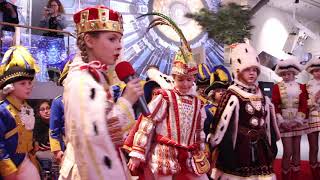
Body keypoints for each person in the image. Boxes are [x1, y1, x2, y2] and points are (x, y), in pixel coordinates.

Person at [59, 6, 143, 180]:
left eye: (120, 39)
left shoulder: (96, 76)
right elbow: (93, 137)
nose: (119, 46)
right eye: (112, 39)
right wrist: (126, 101)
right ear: (89, 40)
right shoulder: (81, 80)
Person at [127, 13, 209, 180]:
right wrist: (137, 153)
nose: (185, 84)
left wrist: (201, 150)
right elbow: (147, 123)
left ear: (193, 79)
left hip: (189, 156)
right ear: (174, 78)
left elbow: (199, 132)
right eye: (180, 79)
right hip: (164, 154)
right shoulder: (165, 97)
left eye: (188, 79)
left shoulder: (198, 103)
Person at [208, 43, 280, 180]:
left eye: (254, 70)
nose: (252, 73)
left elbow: (268, 124)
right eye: (247, 70)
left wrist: (272, 144)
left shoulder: (262, 96)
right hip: (238, 148)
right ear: (238, 71)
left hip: (260, 147)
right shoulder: (232, 95)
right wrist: (224, 151)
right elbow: (220, 127)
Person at [0, 45, 40, 179]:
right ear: (10, 87)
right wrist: (7, 168)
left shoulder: (27, 108)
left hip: (25, 161)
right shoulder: (3, 110)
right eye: (23, 83)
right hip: (9, 167)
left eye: (30, 83)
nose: (28, 87)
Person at [272, 57, 308, 180]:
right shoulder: (277, 87)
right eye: (284, 74)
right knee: (288, 152)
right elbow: (274, 105)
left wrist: (298, 120)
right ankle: (285, 177)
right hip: (284, 123)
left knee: (297, 151)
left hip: (298, 123)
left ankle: (295, 177)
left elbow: (304, 105)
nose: (286, 76)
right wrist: (281, 121)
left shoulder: (302, 87)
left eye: (289, 74)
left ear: (294, 73)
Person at [202, 65, 231, 180]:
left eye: (224, 90)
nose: (221, 93)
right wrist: (205, 145)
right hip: (213, 146)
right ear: (213, 93)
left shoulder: (231, 107)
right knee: (213, 171)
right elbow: (204, 129)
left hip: (228, 144)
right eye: (218, 90)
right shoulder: (207, 109)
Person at [304, 56, 320, 179]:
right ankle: (314, 169)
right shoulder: (307, 85)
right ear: (311, 71)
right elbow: (306, 103)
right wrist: (314, 99)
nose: (317, 72)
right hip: (312, 117)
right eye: (315, 70)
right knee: (313, 146)